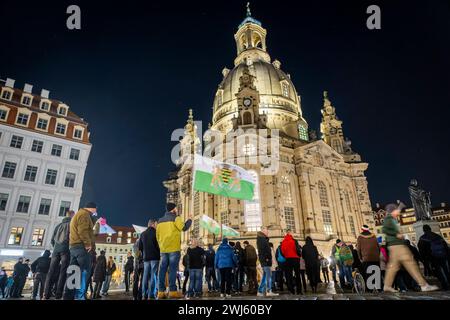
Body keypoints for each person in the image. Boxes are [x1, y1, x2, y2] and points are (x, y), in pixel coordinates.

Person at [382, 202, 438, 292]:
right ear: (392, 211)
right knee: (410, 263)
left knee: (393, 267)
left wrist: (400, 207)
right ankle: (423, 285)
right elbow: (384, 229)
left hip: (394, 245)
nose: (398, 212)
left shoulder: (391, 218)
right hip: (397, 245)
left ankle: (387, 285)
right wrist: (396, 234)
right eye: (396, 210)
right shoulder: (389, 219)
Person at [156, 202, 192, 299]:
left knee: (162, 270)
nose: (176, 209)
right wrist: (190, 220)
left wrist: (162, 245)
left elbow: (157, 236)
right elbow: (184, 228)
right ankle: (172, 291)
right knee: (172, 270)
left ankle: (161, 291)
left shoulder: (159, 221)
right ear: (173, 209)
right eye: (175, 208)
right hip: (173, 248)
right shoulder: (176, 218)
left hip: (163, 249)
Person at [64, 202, 97, 300]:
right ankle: (80, 296)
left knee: (73, 273)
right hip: (81, 247)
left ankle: (68, 296)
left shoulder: (78, 214)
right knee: (85, 272)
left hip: (73, 247)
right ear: (92, 208)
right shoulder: (85, 215)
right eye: (96, 209)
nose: (96, 211)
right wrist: (87, 244)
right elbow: (83, 230)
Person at [44, 210, 73, 299]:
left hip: (56, 250)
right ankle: (58, 293)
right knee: (63, 271)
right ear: (72, 216)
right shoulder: (71, 225)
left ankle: (46, 293)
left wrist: (56, 247)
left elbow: (52, 240)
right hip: (66, 250)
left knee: (51, 271)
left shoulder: (58, 225)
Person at [418, 224, 450, 290]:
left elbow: (421, 250)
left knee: (439, 271)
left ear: (424, 230)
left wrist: (424, 260)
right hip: (443, 256)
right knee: (447, 270)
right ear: (430, 228)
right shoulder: (438, 236)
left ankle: (445, 285)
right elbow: (446, 246)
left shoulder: (422, 238)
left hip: (433, 257)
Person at [139, 218, 160, 300]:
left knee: (145, 275)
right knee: (153, 275)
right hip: (154, 257)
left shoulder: (142, 234)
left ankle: (144, 294)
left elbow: (140, 247)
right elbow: (159, 245)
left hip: (146, 258)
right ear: (153, 224)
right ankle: (151, 294)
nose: (157, 226)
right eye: (156, 224)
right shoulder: (156, 233)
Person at [256, 227, 278, 297]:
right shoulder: (262, 240)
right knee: (269, 276)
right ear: (263, 232)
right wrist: (267, 258)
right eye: (266, 231)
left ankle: (260, 291)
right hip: (265, 261)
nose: (268, 233)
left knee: (265, 276)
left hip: (264, 260)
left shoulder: (262, 239)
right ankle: (269, 290)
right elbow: (263, 251)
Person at [280, 230, 303, 295]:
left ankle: (291, 290)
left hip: (288, 259)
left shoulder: (283, 242)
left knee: (289, 275)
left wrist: (286, 256)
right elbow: (298, 250)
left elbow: (282, 252)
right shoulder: (294, 241)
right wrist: (299, 255)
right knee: (297, 275)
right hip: (295, 259)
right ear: (291, 234)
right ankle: (299, 290)